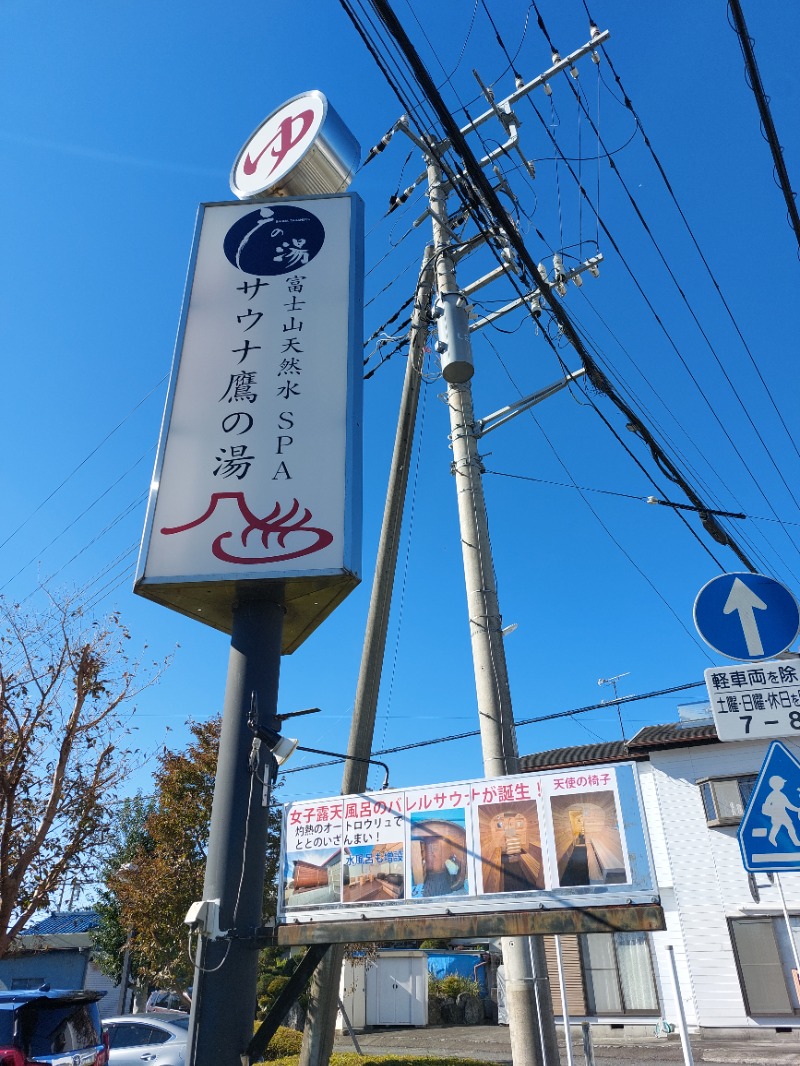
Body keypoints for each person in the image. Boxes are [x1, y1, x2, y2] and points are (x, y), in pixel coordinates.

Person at [762, 775, 800, 847]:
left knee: (777, 827)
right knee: (789, 827)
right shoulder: (773, 795)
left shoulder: (781, 795)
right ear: (777, 784)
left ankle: (771, 838)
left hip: (781, 814)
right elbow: (766, 804)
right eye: (781, 783)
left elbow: (788, 805)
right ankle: (796, 842)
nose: (783, 784)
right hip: (778, 814)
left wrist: (797, 809)